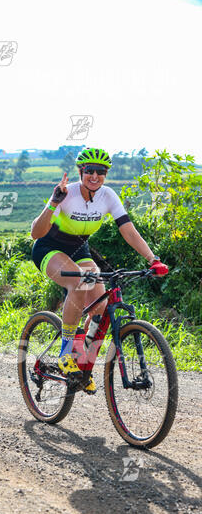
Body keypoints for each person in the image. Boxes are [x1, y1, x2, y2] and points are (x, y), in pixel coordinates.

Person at [31, 147, 168, 393]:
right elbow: (35, 233)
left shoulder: (107, 196)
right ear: (81, 171)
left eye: (101, 172)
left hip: (79, 249)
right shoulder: (67, 193)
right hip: (49, 248)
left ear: (106, 174)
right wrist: (53, 202)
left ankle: (82, 362)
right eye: (89, 171)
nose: (95, 176)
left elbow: (128, 230)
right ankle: (66, 351)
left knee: (100, 306)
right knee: (79, 283)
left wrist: (152, 259)